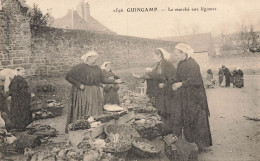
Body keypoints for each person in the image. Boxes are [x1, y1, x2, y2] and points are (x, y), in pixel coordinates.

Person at [65, 51, 122, 133]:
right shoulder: (80, 67)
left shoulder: (97, 68)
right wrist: (78, 84)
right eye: (94, 59)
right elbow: (67, 76)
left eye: (97, 59)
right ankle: (81, 129)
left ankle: (95, 130)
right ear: (88, 58)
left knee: (95, 109)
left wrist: (115, 81)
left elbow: (102, 80)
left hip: (95, 92)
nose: (96, 60)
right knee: (85, 109)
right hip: (83, 91)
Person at [172, 43, 212, 150]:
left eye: (177, 54)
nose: (175, 56)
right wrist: (174, 83)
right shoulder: (181, 63)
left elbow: (196, 80)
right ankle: (191, 143)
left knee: (196, 119)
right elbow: (177, 76)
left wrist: (181, 84)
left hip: (195, 97)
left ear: (183, 53)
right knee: (187, 117)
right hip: (186, 95)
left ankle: (199, 145)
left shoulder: (192, 64)